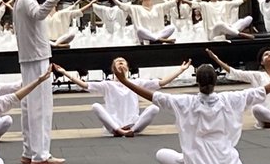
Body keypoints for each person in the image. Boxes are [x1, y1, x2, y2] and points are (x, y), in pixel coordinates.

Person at [115, 56, 270, 164]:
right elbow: (263, 91)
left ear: (197, 82)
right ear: (216, 82)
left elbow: (153, 97)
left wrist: (125, 82)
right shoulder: (231, 99)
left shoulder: (185, 102)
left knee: (161, 154)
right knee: (179, 157)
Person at [12, 0, 68, 164]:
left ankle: (29, 150)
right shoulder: (27, 0)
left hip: (29, 58)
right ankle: (41, 154)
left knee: (29, 106)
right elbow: (40, 14)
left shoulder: (19, 0)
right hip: (36, 58)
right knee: (41, 106)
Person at [60, 59, 193, 137]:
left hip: (133, 124)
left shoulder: (137, 83)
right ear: (113, 69)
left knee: (154, 108)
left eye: (123, 62)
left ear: (127, 68)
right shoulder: (108, 85)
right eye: (118, 62)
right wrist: (64, 73)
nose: (121, 63)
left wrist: (181, 70)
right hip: (113, 124)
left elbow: (162, 82)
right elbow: (85, 85)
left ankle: (131, 131)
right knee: (96, 106)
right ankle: (119, 130)